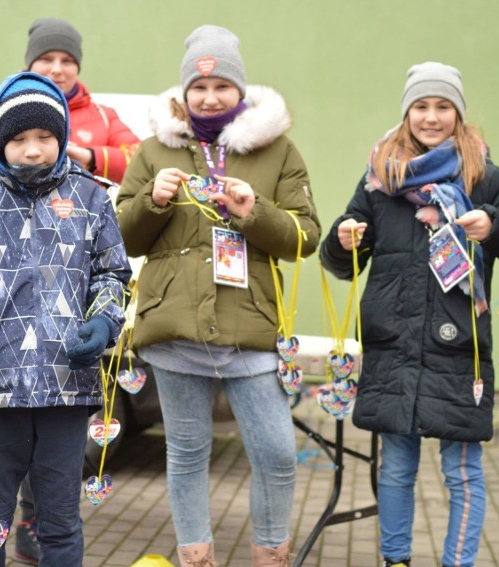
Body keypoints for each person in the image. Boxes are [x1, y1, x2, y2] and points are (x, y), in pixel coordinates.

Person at [319, 62, 499, 567]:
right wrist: (341, 241)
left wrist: (496, 227)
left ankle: (457, 563)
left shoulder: (485, 177)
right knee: (396, 468)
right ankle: (395, 561)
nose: (431, 116)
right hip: (393, 345)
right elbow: (340, 260)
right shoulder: (381, 180)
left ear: (458, 113)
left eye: (443, 106)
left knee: (462, 471)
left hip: (458, 351)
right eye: (421, 106)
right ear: (406, 113)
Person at [115, 25, 321, 567]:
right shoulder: (155, 150)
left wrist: (255, 211)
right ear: (184, 93)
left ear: (241, 90)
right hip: (173, 327)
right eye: (199, 89)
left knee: (277, 455)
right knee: (186, 454)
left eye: (222, 87)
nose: (209, 98)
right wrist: (152, 203)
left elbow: (306, 237)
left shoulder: (278, 151)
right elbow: (120, 236)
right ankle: (195, 559)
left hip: (250, 326)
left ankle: (271, 556)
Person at [0, 71, 131, 567]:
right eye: (18, 138)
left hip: (67, 387)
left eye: (44, 137)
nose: (33, 150)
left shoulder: (91, 197)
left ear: (61, 138)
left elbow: (111, 274)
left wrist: (103, 323)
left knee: (59, 525)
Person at [0, 17, 140, 186]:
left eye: (67, 61)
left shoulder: (102, 115)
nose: (57, 69)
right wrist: (10, 156)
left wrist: (89, 157)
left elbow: (143, 162)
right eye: (46, 59)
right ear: (30, 62)